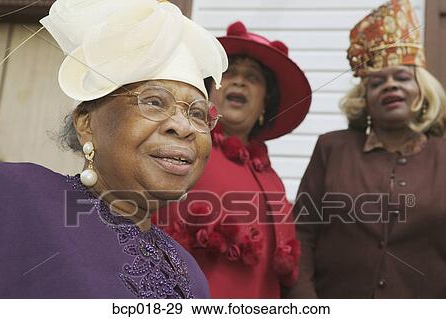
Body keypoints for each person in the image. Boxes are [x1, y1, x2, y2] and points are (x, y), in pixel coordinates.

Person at [0, 0, 228, 298]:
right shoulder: (14, 195)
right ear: (86, 122)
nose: (183, 127)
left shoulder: (192, 276)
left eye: (197, 114)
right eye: (154, 102)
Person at [290, 0, 446, 298]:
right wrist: (305, 305)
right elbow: (302, 235)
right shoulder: (331, 148)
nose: (390, 86)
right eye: (377, 82)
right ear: (365, 98)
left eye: (402, 77)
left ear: (422, 90)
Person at [156, 21, 312, 298]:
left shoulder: (271, 178)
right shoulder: (182, 148)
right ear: (209, 91)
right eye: (228, 74)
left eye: (252, 77)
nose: (239, 81)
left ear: (265, 103)